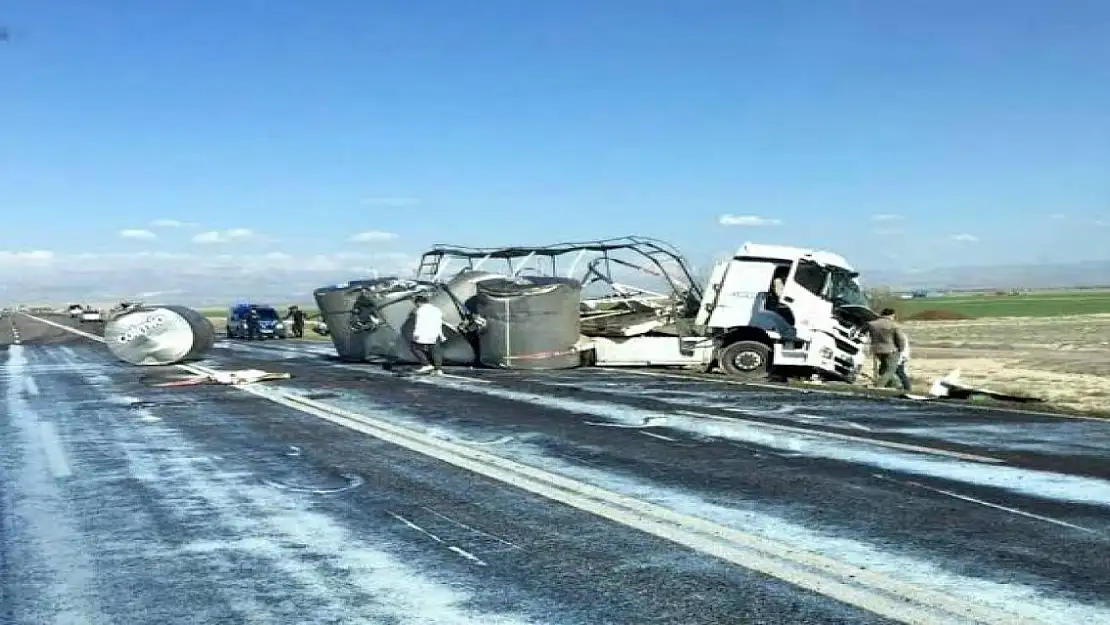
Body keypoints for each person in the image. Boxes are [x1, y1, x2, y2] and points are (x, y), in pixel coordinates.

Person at [866, 307, 907, 390]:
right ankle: (878, 387)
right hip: (891, 350)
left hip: (877, 350)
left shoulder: (872, 324)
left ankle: (896, 386)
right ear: (892, 315)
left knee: (883, 369)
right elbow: (900, 339)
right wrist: (901, 349)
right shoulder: (894, 325)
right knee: (890, 370)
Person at [410, 294, 446, 375]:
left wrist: (416, 333)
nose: (416, 306)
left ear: (419, 302)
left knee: (414, 347)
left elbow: (419, 323)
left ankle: (426, 364)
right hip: (436, 333)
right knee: (436, 351)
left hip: (425, 333)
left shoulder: (421, 310)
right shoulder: (436, 309)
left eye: (416, 304)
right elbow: (440, 322)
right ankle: (438, 369)